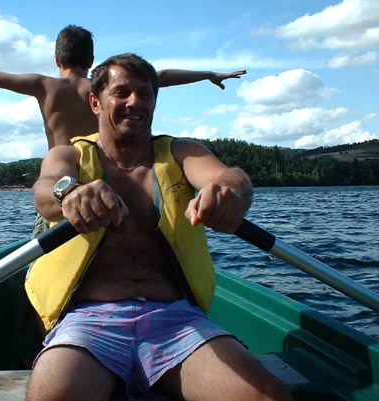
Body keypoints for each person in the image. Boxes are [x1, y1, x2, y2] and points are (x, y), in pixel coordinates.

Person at [24, 53, 292, 401]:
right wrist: (69, 194)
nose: (134, 101)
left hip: (176, 321)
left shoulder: (181, 152)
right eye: (121, 92)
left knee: (268, 397)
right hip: (89, 322)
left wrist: (230, 193)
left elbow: (230, 177)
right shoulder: (69, 155)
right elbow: (46, 189)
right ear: (95, 102)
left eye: (145, 94)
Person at [0, 25, 246, 150]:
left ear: (56, 59)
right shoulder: (103, 85)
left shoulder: (44, 86)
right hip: (105, 178)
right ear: (91, 60)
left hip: (61, 183)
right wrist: (208, 73)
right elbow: (162, 75)